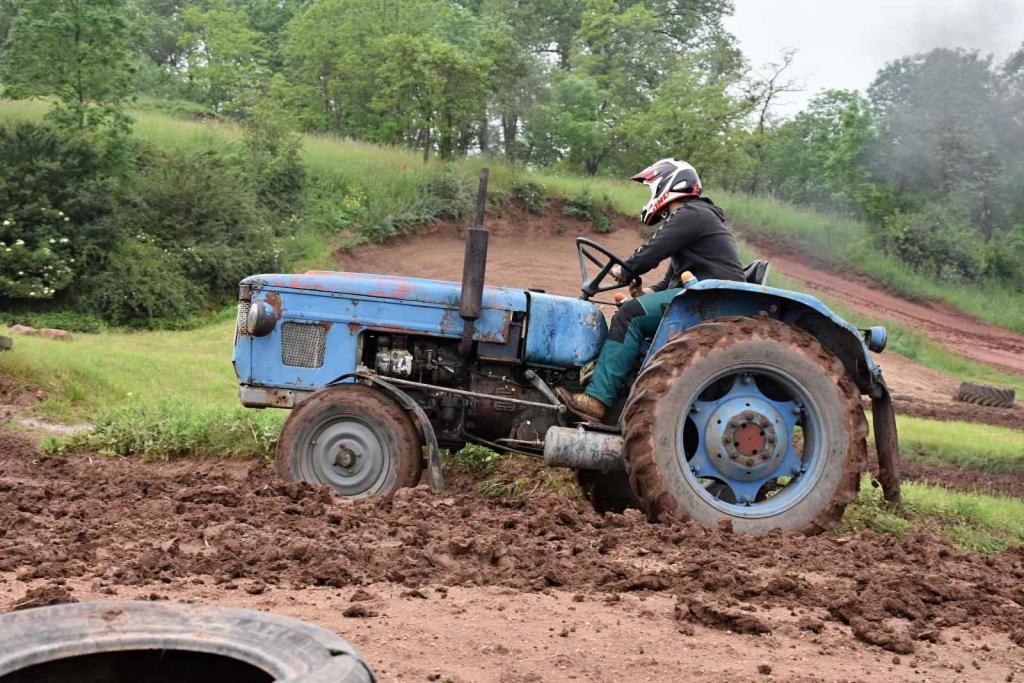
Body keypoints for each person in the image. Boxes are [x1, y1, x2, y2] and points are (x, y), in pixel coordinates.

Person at [557, 158, 746, 422]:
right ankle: (609, 390)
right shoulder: (696, 218)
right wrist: (644, 292)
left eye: (652, 188)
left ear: (669, 184)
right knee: (631, 309)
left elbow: (651, 252)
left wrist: (624, 270)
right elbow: (671, 278)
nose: (651, 196)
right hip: (700, 295)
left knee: (630, 316)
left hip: (710, 298)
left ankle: (596, 400)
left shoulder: (692, 214)